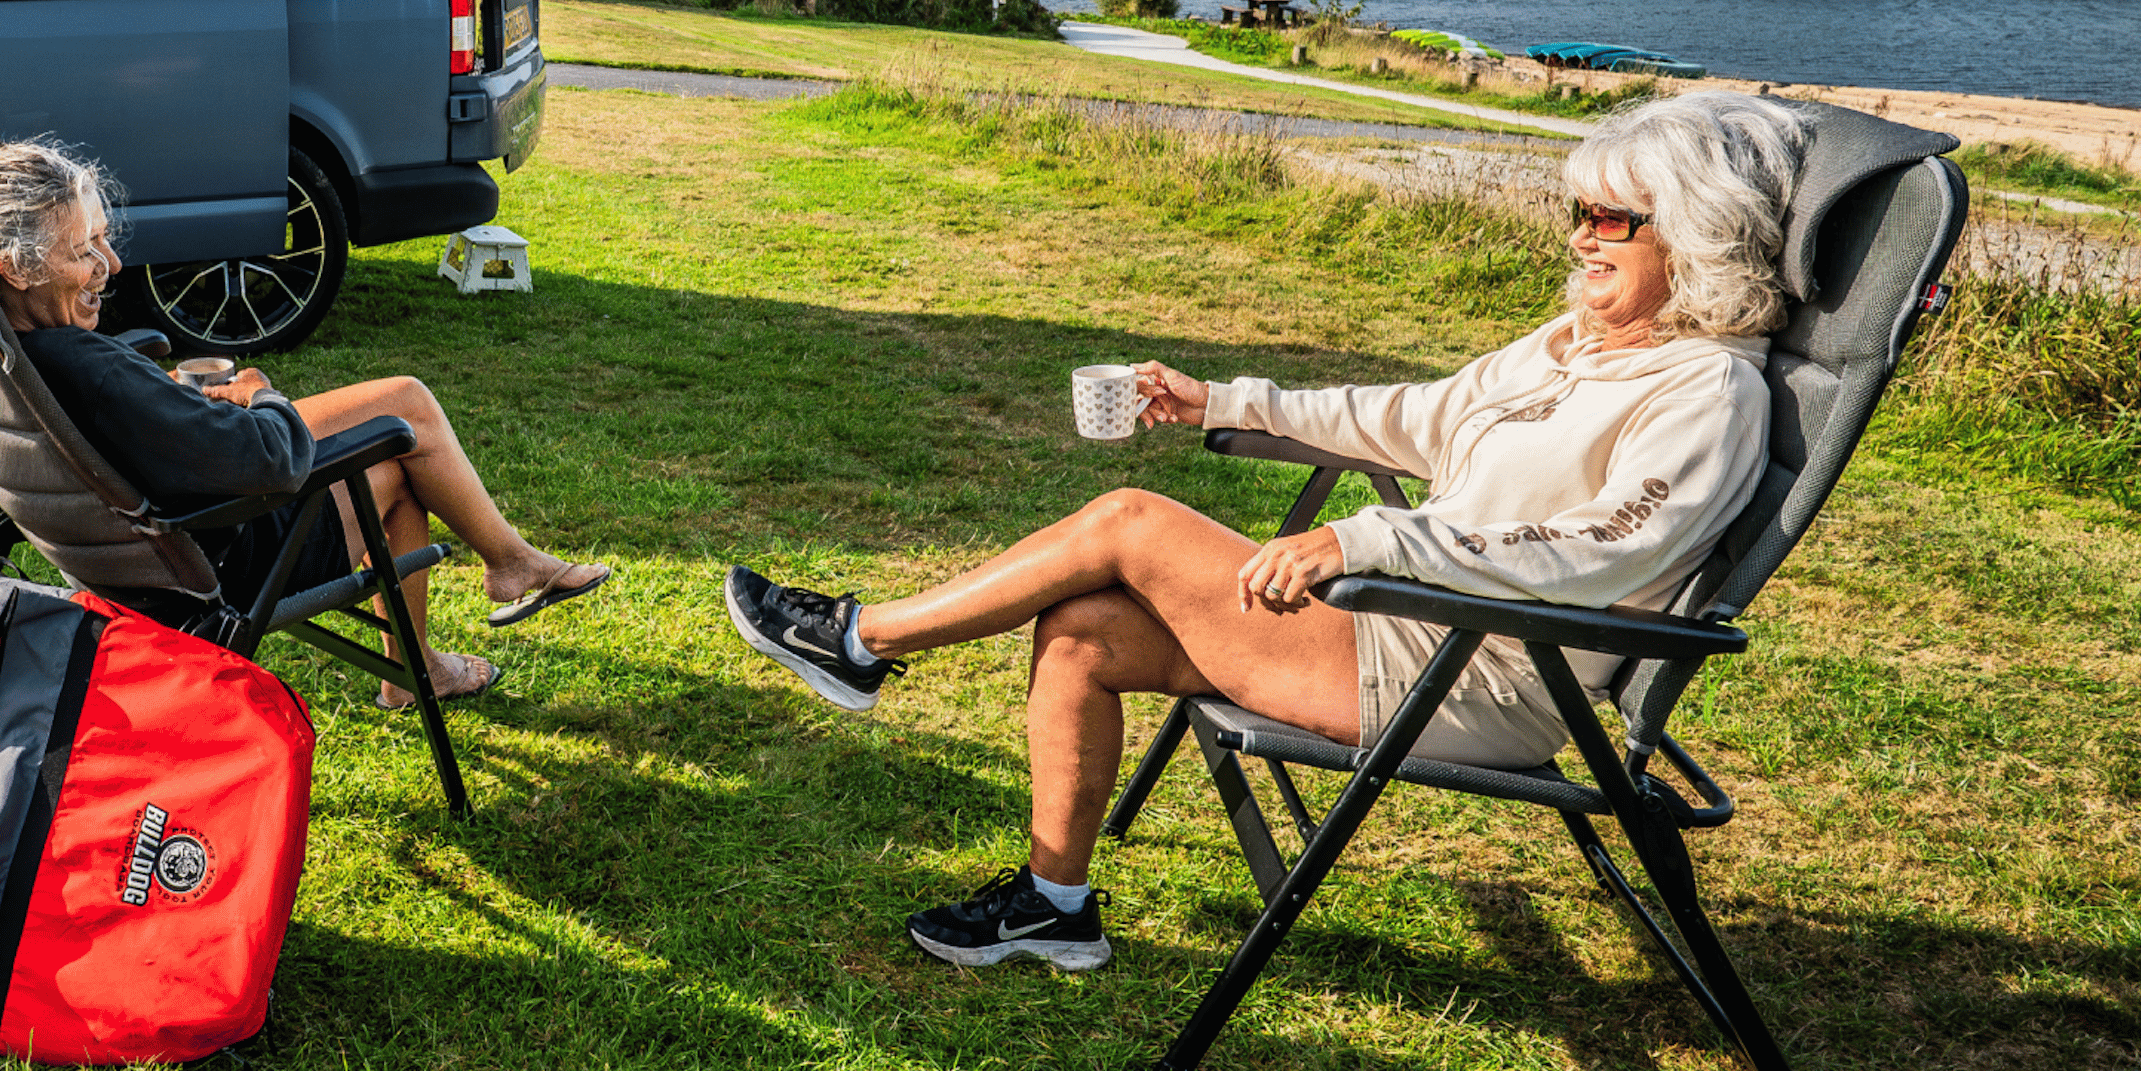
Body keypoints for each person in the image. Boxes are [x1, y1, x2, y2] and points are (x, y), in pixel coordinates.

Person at [725, 91, 1810, 974]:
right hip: (1411, 626)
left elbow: (1603, 547)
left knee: (1130, 522)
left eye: (1611, 218)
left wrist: (1371, 542)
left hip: (1480, 674)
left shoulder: (1707, 389)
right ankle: (1054, 905)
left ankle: (861, 641)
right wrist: (1227, 402)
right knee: (1087, 625)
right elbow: (1413, 415)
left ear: (1697, 234)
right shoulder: (1574, 344)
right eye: (1576, 210)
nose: (1580, 236)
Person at [0, 137, 613, 705]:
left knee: (404, 408)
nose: (111, 263)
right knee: (404, 427)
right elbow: (271, 461)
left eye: (103, 240)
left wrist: (178, 404)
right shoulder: (89, 369)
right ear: (15, 266)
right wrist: (259, 391)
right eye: (83, 251)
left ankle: (457, 624)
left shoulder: (12, 352)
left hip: (161, 515)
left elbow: (158, 428)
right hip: (232, 547)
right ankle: (492, 587)